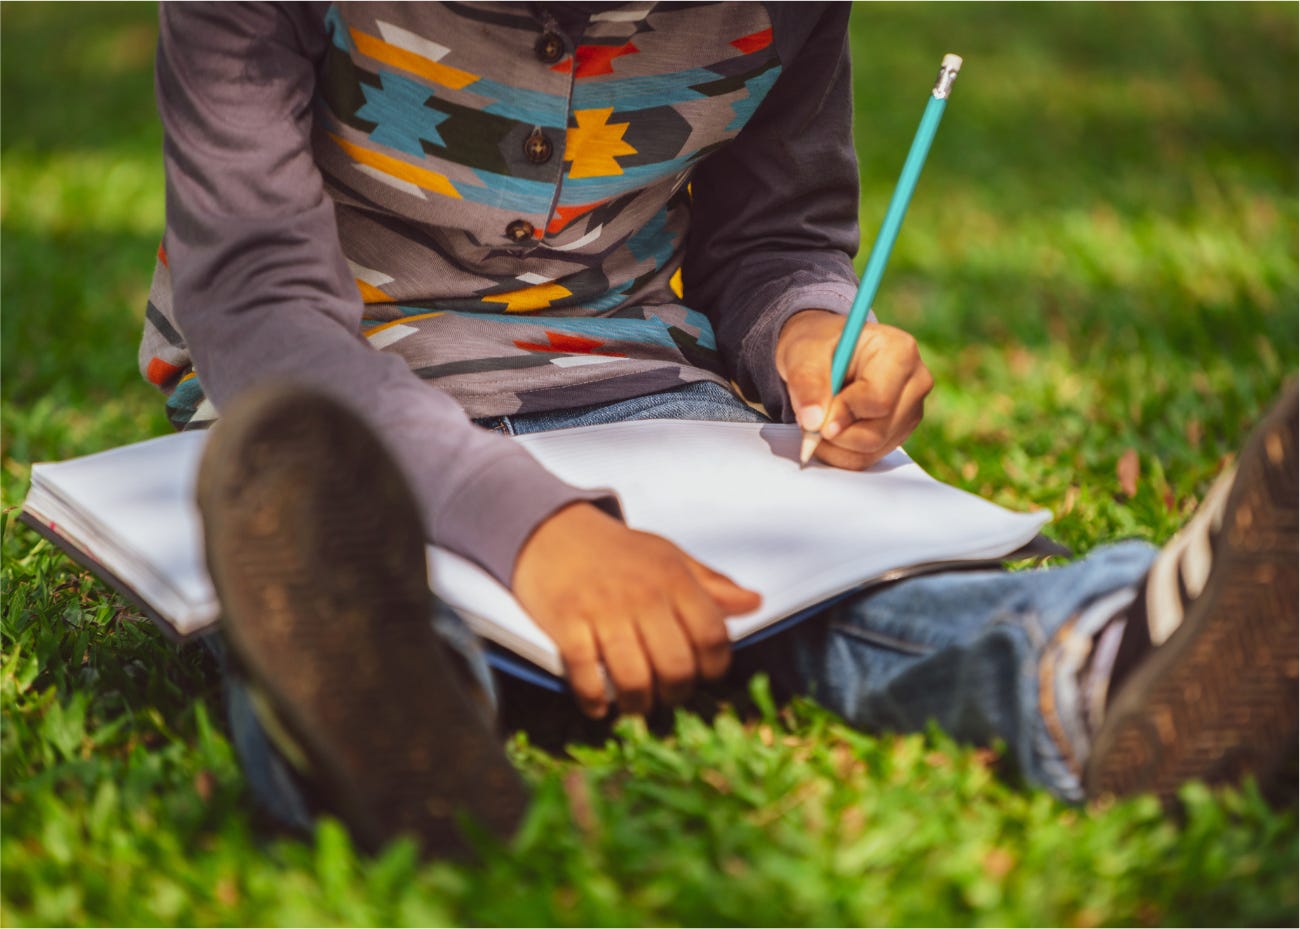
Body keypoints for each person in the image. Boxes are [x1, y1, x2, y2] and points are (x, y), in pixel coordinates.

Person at [140, 2, 1297, 856]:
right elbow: (262, 306)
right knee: (337, 568)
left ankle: (1111, 658)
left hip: (629, 382)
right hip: (323, 407)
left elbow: (769, 238)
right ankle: (396, 741)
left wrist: (811, 334)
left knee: (819, 588)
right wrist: (537, 533)